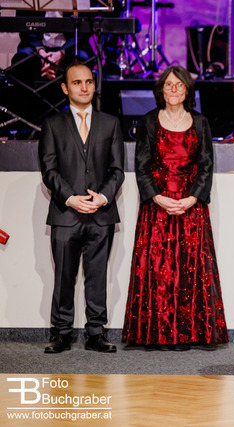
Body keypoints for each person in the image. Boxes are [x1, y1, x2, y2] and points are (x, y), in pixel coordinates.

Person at [121, 65, 228, 350]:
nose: (173, 89)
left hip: (191, 208)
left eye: (179, 85)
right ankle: (157, 334)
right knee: (158, 271)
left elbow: (206, 165)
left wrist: (192, 199)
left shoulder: (200, 122)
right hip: (157, 208)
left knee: (190, 271)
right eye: (168, 85)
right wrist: (157, 197)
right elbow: (141, 166)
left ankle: (188, 333)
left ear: (187, 90)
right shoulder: (149, 121)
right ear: (161, 89)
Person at [38, 62, 124, 353]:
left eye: (88, 81)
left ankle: (96, 333)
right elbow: (49, 171)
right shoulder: (53, 124)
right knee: (63, 276)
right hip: (65, 213)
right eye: (77, 82)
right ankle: (61, 333)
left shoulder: (110, 123)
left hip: (101, 214)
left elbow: (117, 170)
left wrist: (103, 197)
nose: (84, 87)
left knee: (98, 276)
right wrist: (70, 198)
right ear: (65, 88)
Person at [11, 11, 92, 82]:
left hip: (69, 48)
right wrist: (41, 53)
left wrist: (61, 53)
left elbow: (83, 31)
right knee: (21, 60)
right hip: (36, 47)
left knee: (83, 60)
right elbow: (24, 26)